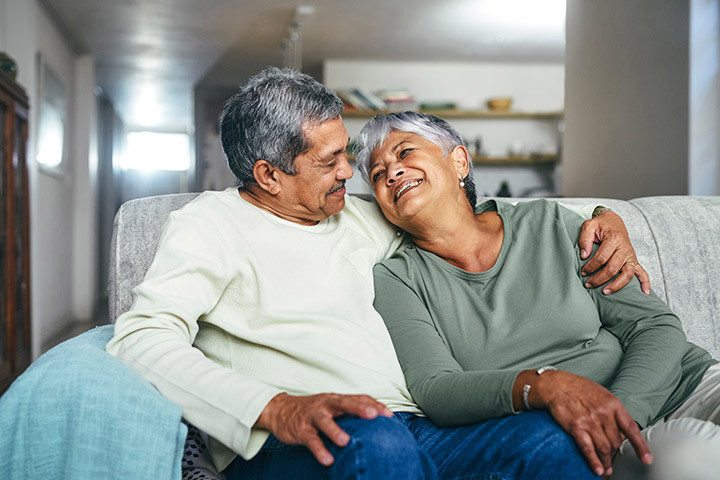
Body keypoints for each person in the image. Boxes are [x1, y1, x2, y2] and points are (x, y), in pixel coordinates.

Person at [107, 68, 648, 480]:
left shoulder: (363, 212)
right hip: (298, 438)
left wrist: (604, 219)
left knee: (552, 441)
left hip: (417, 430)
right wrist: (275, 408)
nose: (351, 173)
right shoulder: (210, 225)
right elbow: (141, 338)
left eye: (347, 153)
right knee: (378, 445)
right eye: (330, 162)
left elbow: (471, 218)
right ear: (269, 176)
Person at [354, 110, 720, 479]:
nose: (392, 173)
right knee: (693, 460)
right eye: (377, 174)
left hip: (683, 386)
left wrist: (619, 415)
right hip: (596, 440)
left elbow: (654, 325)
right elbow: (436, 388)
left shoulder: (548, 222)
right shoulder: (398, 278)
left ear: (459, 161)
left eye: (404, 153)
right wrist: (542, 383)